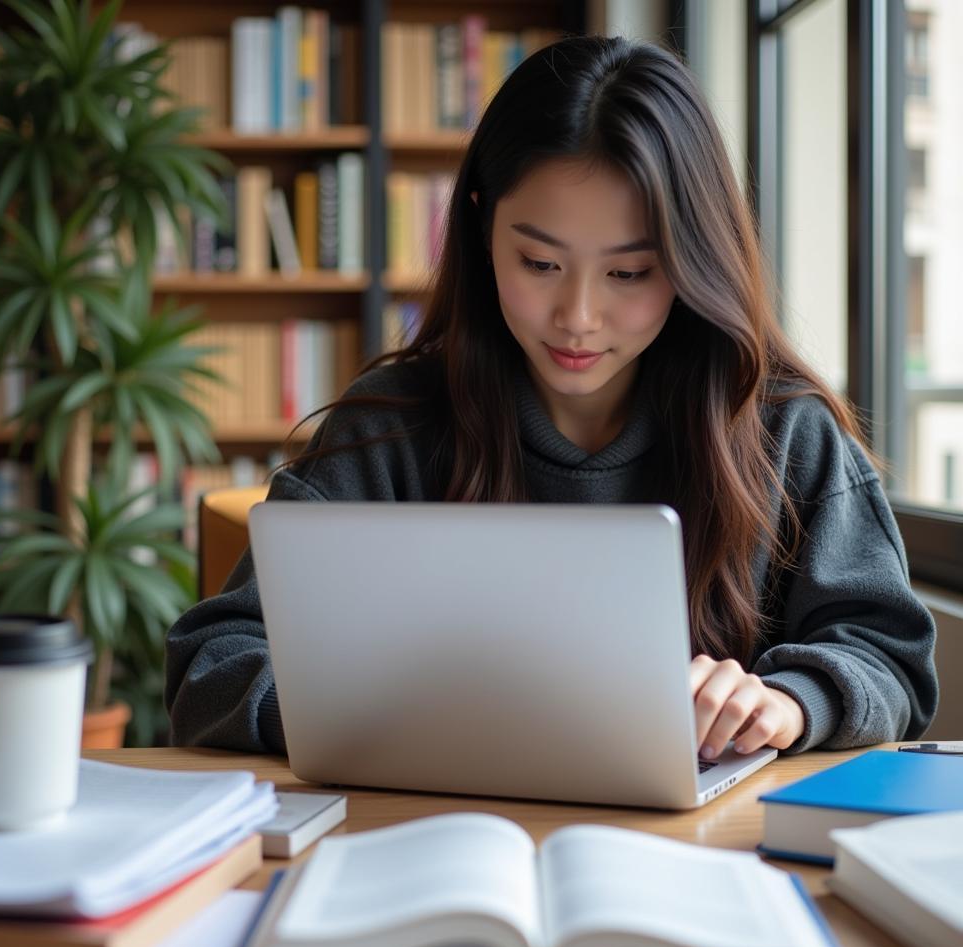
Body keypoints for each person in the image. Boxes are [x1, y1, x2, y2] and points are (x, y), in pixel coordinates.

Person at [165, 34, 937, 760]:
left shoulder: (780, 430)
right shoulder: (392, 425)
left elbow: (888, 657)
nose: (578, 317)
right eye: (539, 263)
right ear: (478, 229)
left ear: (694, 260)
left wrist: (788, 702)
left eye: (630, 273)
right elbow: (212, 662)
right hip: (431, 834)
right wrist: (353, 713)